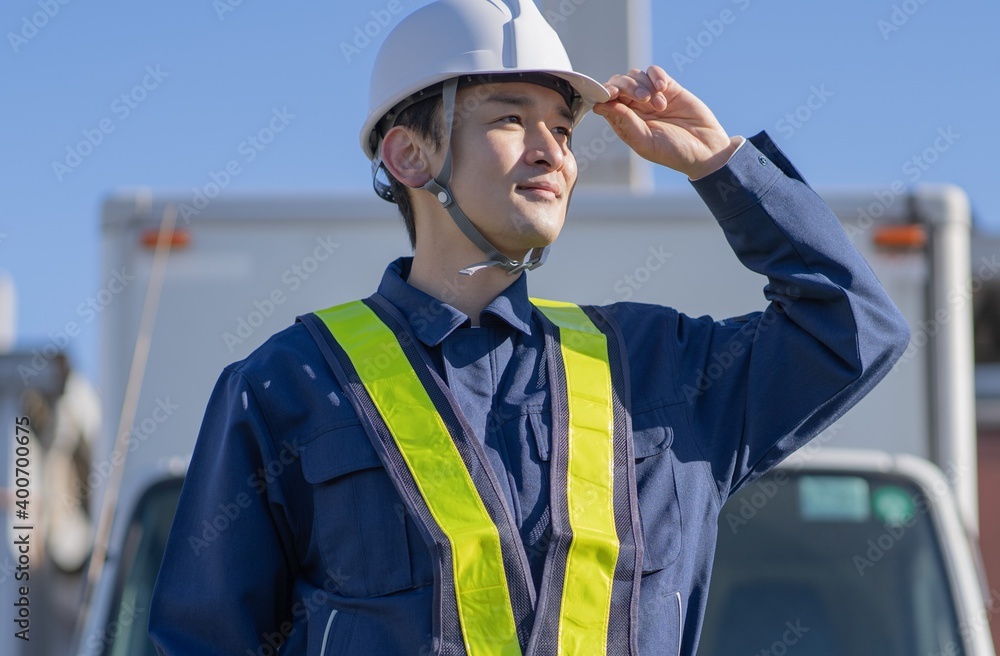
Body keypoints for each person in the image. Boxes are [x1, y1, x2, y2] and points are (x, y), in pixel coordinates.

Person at [148, 1, 910, 654]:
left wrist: (720, 164)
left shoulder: (660, 373)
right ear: (409, 155)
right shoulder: (287, 388)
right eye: (511, 118)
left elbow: (856, 328)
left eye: (566, 131)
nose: (553, 151)